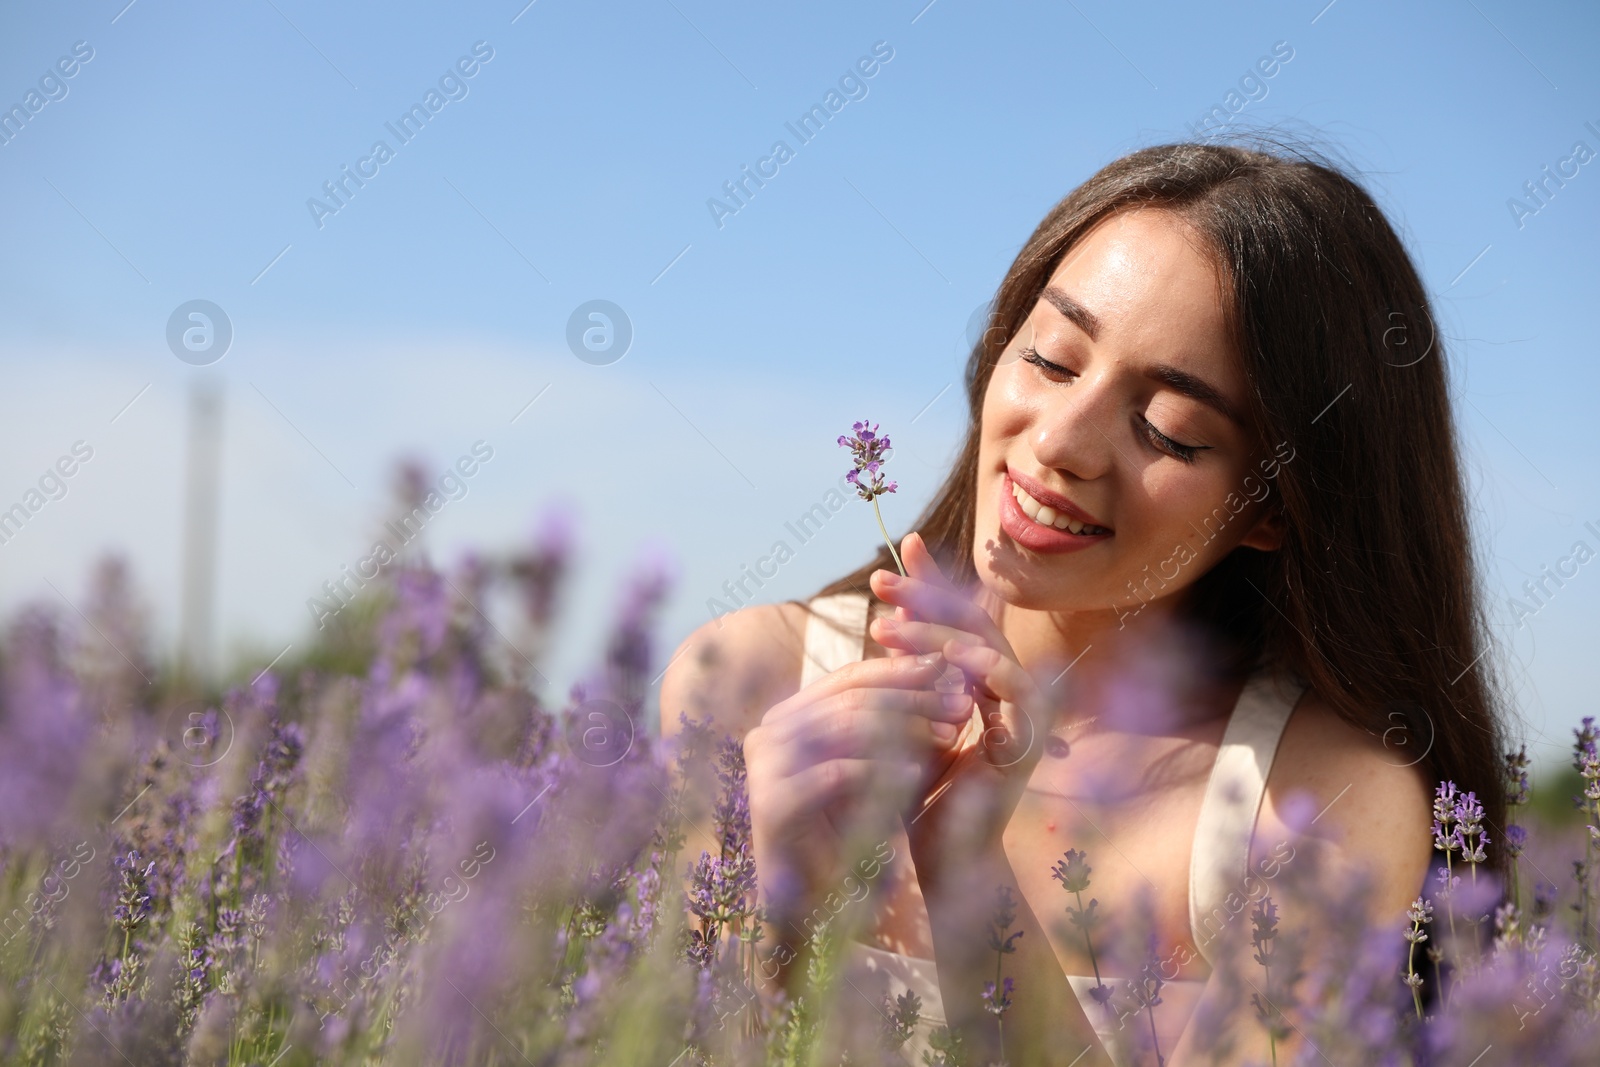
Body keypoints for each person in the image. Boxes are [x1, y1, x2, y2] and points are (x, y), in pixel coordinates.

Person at [660, 138, 1505, 1065]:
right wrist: (760, 905)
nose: (1060, 440)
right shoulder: (750, 678)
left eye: (1168, 429)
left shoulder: (1318, 804)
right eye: (1054, 359)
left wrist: (968, 869)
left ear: (1271, 506)